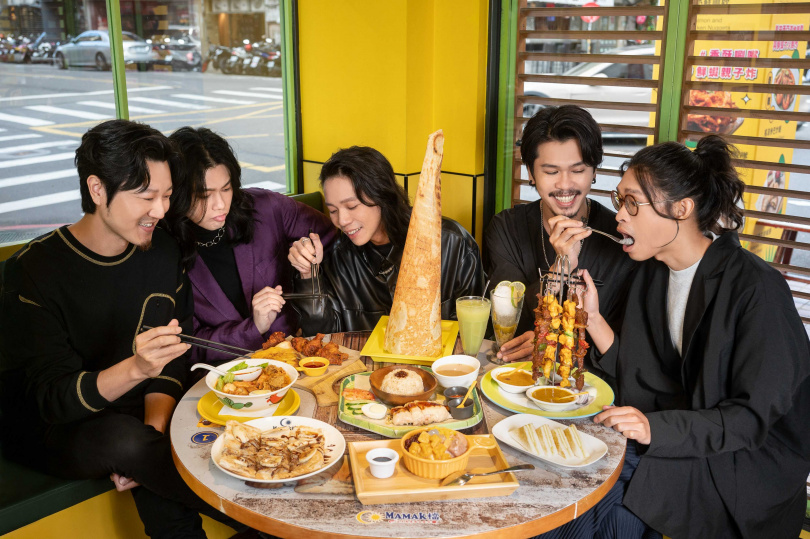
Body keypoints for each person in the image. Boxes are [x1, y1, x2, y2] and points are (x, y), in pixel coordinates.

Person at [0, 120, 237, 538]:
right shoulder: (35, 271)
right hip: (51, 426)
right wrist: (135, 371)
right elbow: (51, 400)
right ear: (97, 190)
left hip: (134, 417)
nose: (161, 211)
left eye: (165, 196)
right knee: (124, 441)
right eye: (146, 196)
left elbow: (171, 361)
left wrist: (154, 433)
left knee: (149, 461)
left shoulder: (162, 249)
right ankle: (279, 518)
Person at [570, 135, 810, 539]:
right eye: (618, 199)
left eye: (632, 203)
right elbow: (643, 374)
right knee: (577, 475)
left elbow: (750, 420)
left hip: (741, 463)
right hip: (682, 434)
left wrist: (653, 430)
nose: (619, 216)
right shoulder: (653, 273)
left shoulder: (757, 288)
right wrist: (592, 319)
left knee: (607, 510)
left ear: (682, 209)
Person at [163, 127, 336, 364]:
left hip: (297, 360)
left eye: (226, 189)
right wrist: (253, 327)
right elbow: (189, 346)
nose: (220, 205)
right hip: (223, 377)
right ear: (178, 194)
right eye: (204, 195)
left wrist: (306, 256)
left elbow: (334, 239)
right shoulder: (164, 248)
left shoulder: (266, 208)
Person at [484, 105, 635, 363]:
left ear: (595, 171)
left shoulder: (620, 236)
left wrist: (549, 339)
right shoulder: (507, 228)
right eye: (551, 172)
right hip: (516, 374)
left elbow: (628, 343)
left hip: (594, 385)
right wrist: (560, 266)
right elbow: (508, 322)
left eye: (577, 171)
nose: (565, 185)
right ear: (531, 173)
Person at [287, 145, 485, 334]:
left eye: (352, 206)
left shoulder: (452, 243)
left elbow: (475, 330)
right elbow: (322, 334)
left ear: (381, 195)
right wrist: (308, 275)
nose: (342, 220)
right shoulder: (339, 255)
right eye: (333, 210)